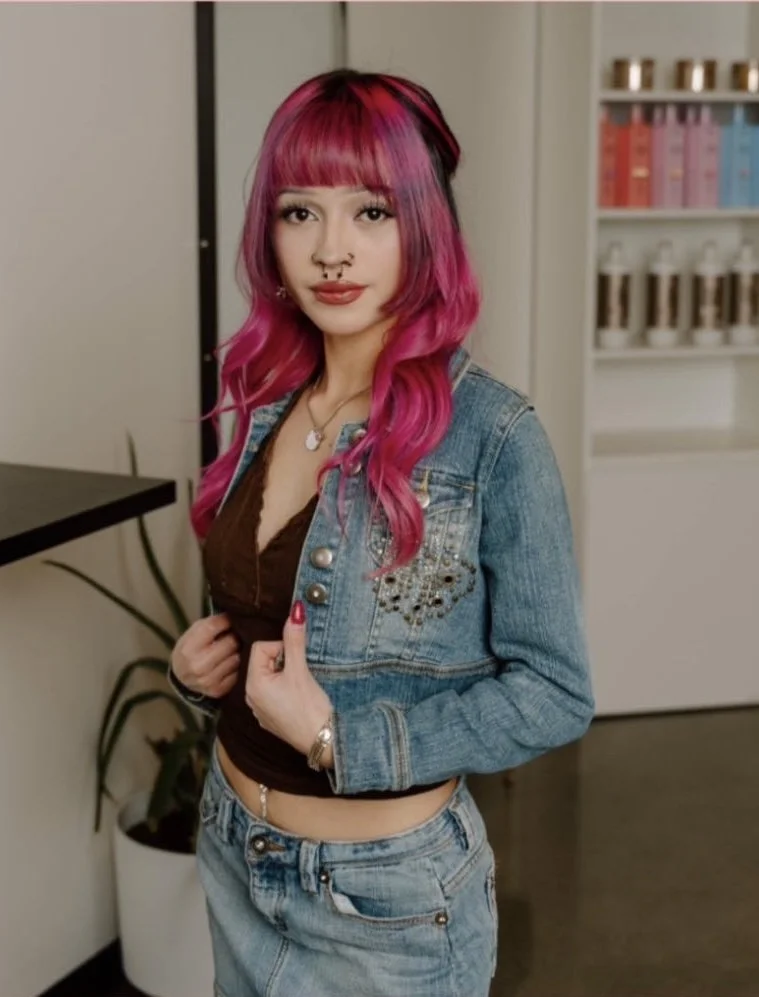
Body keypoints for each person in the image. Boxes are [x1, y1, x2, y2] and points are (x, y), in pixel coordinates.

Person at [168, 68, 594, 997]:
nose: (329, 250)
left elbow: (556, 691)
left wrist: (340, 740)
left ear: (422, 226)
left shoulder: (493, 437)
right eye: (297, 212)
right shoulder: (273, 408)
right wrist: (202, 668)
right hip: (235, 854)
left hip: (385, 909)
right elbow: (282, 622)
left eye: (368, 211)